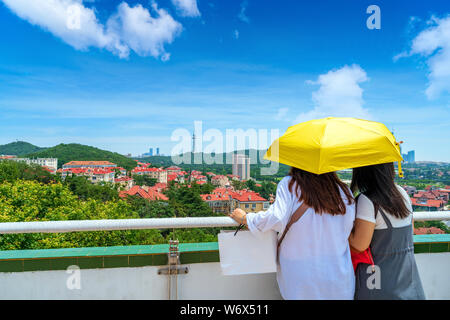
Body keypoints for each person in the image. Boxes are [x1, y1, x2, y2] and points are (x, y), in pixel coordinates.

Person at [229, 167, 355, 300]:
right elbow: (346, 229)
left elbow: (276, 218)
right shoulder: (343, 190)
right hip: (339, 279)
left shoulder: (290, 185)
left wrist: (246, 218)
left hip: (301, 281)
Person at [349, 163, 425, 300]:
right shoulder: (402, 193)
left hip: (377, 281)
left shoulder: (367, 200)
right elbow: (410, 231)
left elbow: (359, 245)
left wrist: (343, 228)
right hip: (407, 280)